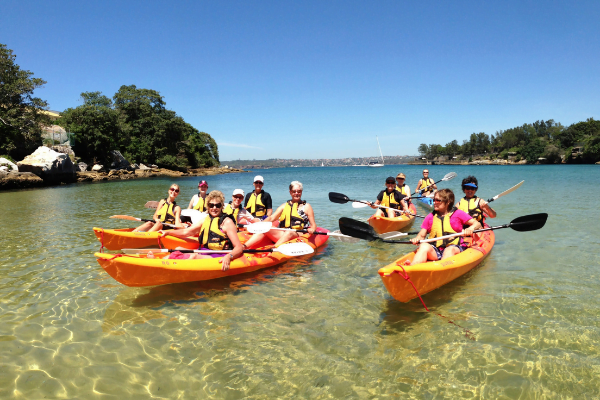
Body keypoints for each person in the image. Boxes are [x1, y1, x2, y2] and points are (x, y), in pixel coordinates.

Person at [159, 190, 243, 271]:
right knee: (178, 248)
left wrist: (229, 256)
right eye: (211, 205)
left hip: (219, 253)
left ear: (221, 206)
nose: (214, 208)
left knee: (194, 257)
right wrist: (168, 232)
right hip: (205, 251)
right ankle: (159, 262)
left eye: (217, 205)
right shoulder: (205, 220)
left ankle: (167, 268)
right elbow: (186, 232)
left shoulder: (227, 222)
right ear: (208, 206)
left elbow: (238, 247)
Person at [408, 189, 482, 265]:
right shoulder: (430, 217)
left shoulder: (458, 214)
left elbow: (477, 224)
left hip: (454, 247)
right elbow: (421, 235)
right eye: (434, 200)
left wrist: (470, 228)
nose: (434, 202)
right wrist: (416, 239)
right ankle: (412, 267)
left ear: (448, 202)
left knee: (449, 250)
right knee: (423, 246)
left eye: (438, 200)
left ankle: (441, 269)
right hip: (436, 250)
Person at [244, 181, 316, 248]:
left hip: (297, 234)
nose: (296, 193)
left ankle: (274, 249)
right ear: (290, 192)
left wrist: (312, 229)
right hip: (282, 234)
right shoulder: (284, 206)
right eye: (294, 191)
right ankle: (244, 247)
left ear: (301, 192)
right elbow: (272, 218)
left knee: (289, 232)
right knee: (265, 227)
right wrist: (260, 224)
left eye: (299, 191)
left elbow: (313, 225)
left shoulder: (306, 206)